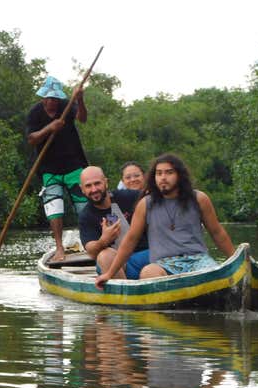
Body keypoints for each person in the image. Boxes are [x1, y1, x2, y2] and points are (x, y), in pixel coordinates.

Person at [95, 153, 234, 290]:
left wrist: (235, 261)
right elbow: (131, 240)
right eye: (159, 173)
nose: (163, 178)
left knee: (215, 273)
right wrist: (109, 274)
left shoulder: (199, 199)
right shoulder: (145, 204)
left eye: (169, 173)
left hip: (198, 260)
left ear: (179, 175)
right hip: (163, 264)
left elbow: (217, 233)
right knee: (148, 272)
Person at [26, 75, 88, 262]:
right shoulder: (35, 112)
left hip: (73, 165)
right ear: (43, 97)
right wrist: (50, 128)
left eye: (55, 98)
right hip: (49, 168)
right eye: (48, 98)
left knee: (83, 206)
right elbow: (31, 139)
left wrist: (79, 99)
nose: (51, 102)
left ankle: (89, 242)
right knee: (54, 208)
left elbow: (82, 119)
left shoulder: (66, 106)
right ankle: (59, 248)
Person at [78, 166, 149, 279]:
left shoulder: (130, 197)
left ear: (106, 182)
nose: (94, 189)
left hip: (145, 256)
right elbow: (91, 251)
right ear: (82, 189)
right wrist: (103, 241)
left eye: (97, 183)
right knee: (104, 256)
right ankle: (125, 293)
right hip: (115, 266)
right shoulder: (86, 216)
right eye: (88, 186)